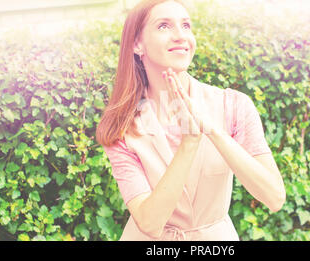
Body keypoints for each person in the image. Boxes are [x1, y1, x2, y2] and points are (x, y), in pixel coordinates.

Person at [96, 0, 286, 241]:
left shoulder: (234, 106)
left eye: (186, 25)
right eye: (164, 26)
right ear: (137, 44)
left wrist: (214, 132)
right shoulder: (122, 127)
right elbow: (149, 223)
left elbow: (274, 197)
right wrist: (190, 140)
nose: (180, 36)